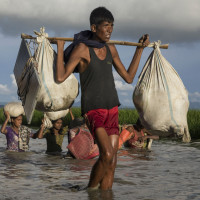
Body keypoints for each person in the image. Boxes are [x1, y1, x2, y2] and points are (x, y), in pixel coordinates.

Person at [55, 7, 150, 190]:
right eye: (106, 26)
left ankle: (105, 195)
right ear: (94, 27)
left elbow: (129, 77)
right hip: (93, 110)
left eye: (112, 26)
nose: (110, 30)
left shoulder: (110, 48)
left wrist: (140, 49)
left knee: (112, 161)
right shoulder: (82, 49)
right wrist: (60, 48)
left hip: (112, 108)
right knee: (106, 154)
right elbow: (60, 77)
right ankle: (89, 190)